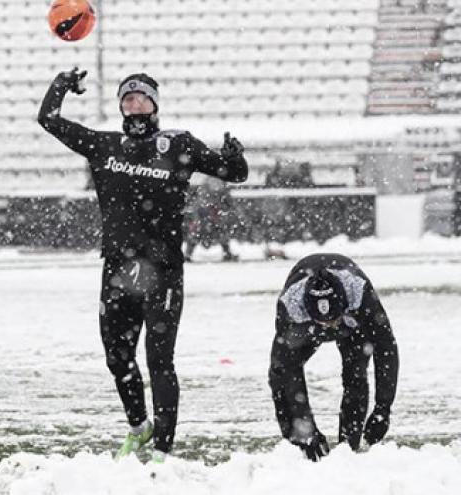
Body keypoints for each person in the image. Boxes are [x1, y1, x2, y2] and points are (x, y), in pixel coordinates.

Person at [38, 68, 248, 462]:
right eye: (127, 99)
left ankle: (164, 449)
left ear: (154, 104)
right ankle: (139, 427)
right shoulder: (106, 145)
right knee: (116, 356)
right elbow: (48, 120)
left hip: (163, 269)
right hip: (118, 268)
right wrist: (62, 85)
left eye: (141, 98)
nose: (134, 104)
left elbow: (234, 173)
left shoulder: (177, 145)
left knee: (159, 358)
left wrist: (235, 156)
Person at [268, 253, 398, 461]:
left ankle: (349, 448)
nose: (330, 327)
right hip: (308, 328)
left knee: (355, 376)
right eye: (324, 323)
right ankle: (300, 448)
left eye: (333, 321)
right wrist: (304, 428)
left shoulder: (361, 294)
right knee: (279, 375)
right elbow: (286, 371)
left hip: (351, 322)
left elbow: (386, 350)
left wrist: (383, 409)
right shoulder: (290, 306)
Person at [184, 177, 238, 262]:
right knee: (194, 234)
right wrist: (203, 224)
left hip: (214, 227)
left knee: (222, 234)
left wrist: (216, 223)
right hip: (202, 227)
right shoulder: (200, 203)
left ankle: (227, 253)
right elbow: (195, 216)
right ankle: (188, 254)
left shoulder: (219, 202)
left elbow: (224, 215)